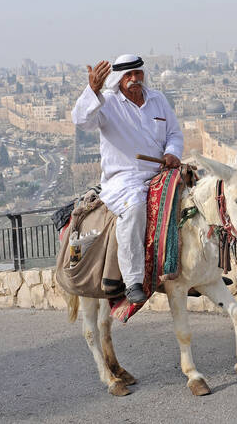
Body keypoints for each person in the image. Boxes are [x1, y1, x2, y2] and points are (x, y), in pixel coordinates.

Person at [71, 54, 183, 303]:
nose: (134, 79)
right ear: (118, 79)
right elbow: (80, 120)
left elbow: (174, 133)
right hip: (125, 178)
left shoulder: (157, 100)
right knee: (133, 210)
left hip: (160, 172)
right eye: (128, 75)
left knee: (198, 199)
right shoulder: (106, 103)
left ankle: (198, 269)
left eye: (138, 74)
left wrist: (171, 153)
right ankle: (133, 280)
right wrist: (92, 90)